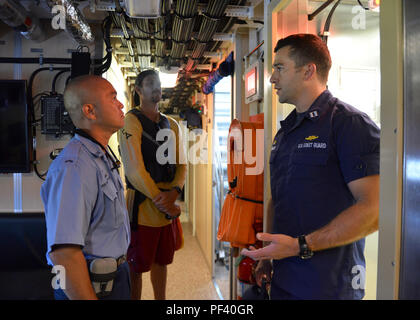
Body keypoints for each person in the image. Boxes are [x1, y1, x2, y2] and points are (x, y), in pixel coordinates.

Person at [241, 33, 380, 300]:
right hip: (284, 280)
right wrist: (269, 253)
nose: (272, 78)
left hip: (327, 287)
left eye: (279, 68)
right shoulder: (286, 132)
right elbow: (277, 198)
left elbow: (374, 210)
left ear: (308, 71)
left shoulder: (349, 125)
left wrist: (300, 246)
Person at [41, 75, 131, 300]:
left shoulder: (99, 158)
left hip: (113, 278)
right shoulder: (75, 167)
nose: (120, 104)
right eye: (113, 98)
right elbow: (64, 253)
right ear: (90, 111)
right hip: (90, 287)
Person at [118, 69, 187, 300]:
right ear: (138, 90)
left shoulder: (171, 124)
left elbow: (182, 164)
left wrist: (175, 190)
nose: (156, 88)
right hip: (141, 209)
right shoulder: (130, 121)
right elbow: (135, 170)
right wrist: (164, 202)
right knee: (136, 267)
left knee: (162, 262)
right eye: (150, 84)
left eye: (158, 84)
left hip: (165, 207)